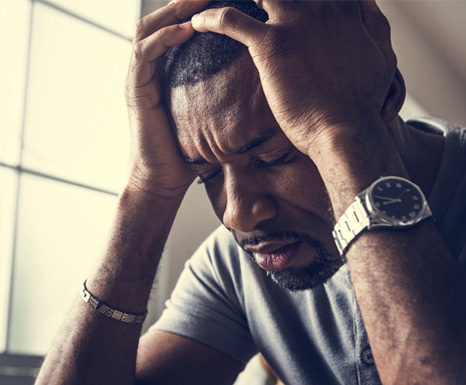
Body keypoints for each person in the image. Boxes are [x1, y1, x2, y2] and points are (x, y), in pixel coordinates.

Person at [35, 0, 466, 384]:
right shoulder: (232, 267)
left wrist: (342, 130)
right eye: (207, 176)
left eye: (274, 158)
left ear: (385, 96)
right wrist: (147, 190)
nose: (237, 216)